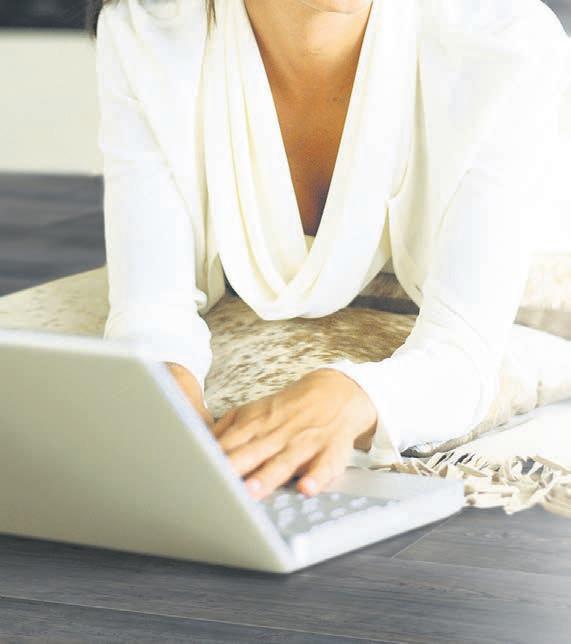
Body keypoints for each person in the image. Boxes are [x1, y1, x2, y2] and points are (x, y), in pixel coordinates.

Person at [88, 0, 571, 500]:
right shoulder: (148, 31)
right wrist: (167, 397)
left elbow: (463, 353)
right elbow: (150, 307)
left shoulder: (502, 42)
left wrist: (347, 398)